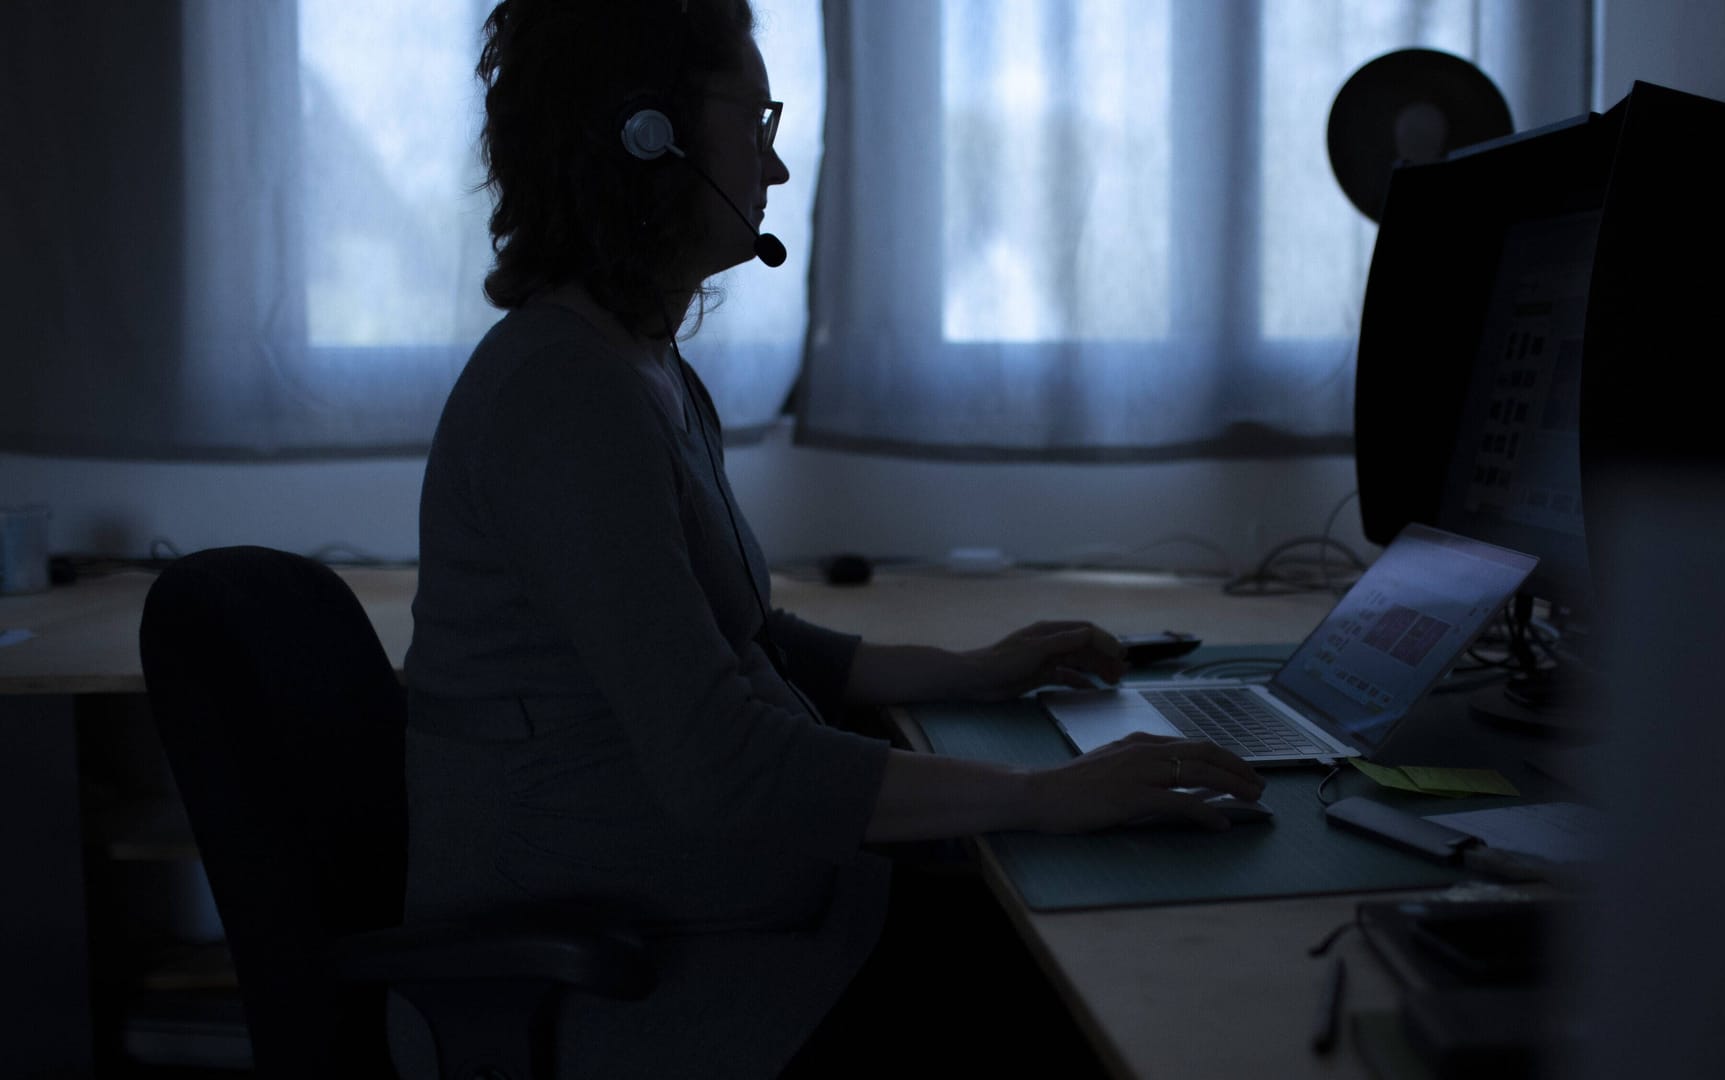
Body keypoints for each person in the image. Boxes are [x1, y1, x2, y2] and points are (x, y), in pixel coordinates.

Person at [395, 1, 1265, 1076]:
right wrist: (1040, 798)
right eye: (754, 124)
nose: (775, 170)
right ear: (647, 135)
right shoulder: (563, 398)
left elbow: (745, 639)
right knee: (1085, 986)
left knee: (1064, 930)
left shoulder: (637, 368)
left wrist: (977, 672)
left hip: (713, 907)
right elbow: (724, 764)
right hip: (631, 974)